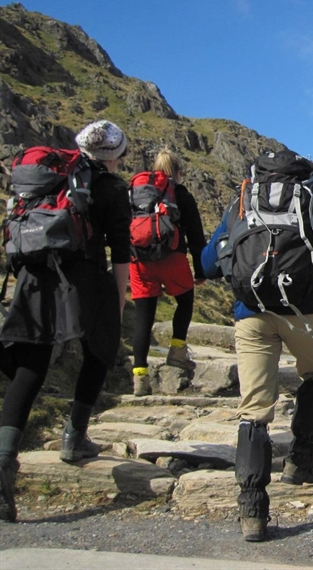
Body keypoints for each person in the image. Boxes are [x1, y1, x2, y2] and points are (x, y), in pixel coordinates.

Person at [201, 153, 313, 542]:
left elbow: (207, 263)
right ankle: (301, 461)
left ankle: (253, 508)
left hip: (251, 313)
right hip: (304, 313)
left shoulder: (241, 204)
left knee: (253, 410)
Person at [0, 120, 131, 523]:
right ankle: (75, 437)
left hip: (33, 278)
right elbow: (121, 252)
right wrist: (120, 300)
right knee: (99, 350)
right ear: (117, 155)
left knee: (30, 365)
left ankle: (4, 460)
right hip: (84, 278)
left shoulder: (50, 181)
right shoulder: (111, 189)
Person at [130, 150, 207, 396]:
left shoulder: (135, 191)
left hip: (139, 261)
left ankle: (140, 376)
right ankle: (177, 352)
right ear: (178, 172)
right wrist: (201, 269)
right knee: (184, 301)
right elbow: (196, 237)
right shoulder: (181, 195)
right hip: (172, 258)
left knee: (143, 316)